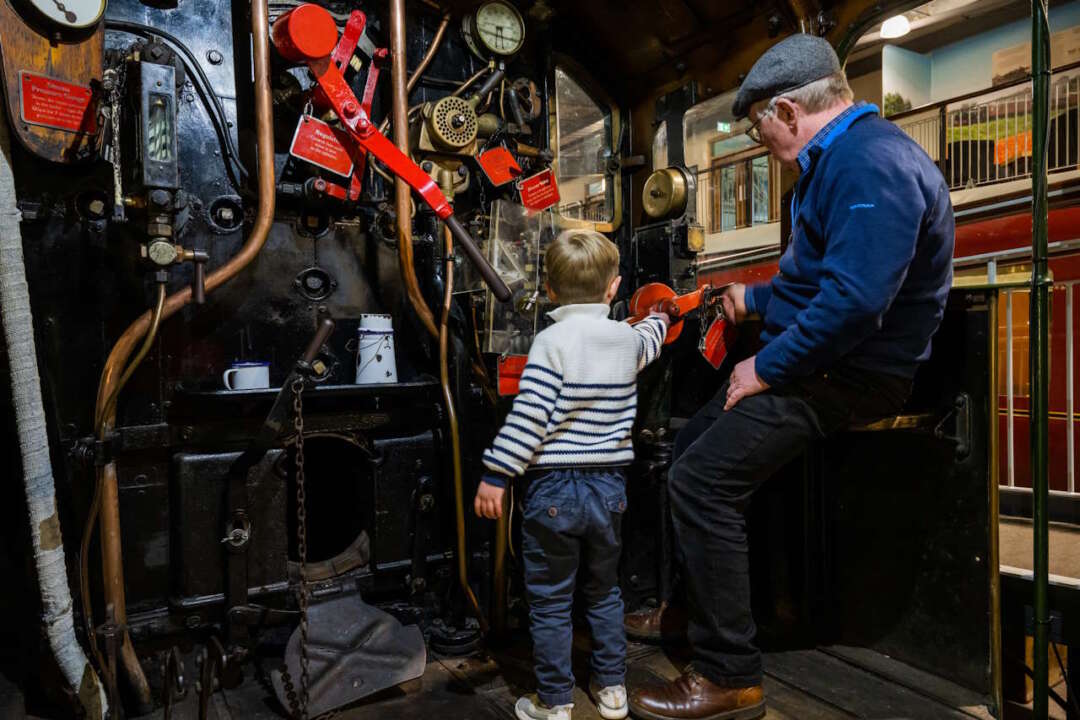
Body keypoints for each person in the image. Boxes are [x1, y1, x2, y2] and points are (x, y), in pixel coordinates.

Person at [627, 33, 954, 720]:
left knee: (702, 479)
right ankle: (696, 611)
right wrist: (756, 300)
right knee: (688, 453)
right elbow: (820, 284)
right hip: (821, 359)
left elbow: (857, 302)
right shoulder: (839, 161)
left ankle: (729, 674)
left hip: (852, 372)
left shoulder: (868, 164)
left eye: (757, 125)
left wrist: (765, 367)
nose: (760, 138)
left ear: (785, 109)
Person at [474, 229, 670, 720]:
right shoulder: (626, 338)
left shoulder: (550, 341)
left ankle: (555, 701)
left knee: (551, 602)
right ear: (614, 287)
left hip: (554, 488)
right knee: (605, 592)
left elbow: (530, 415)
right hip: (609, 488)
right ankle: (612, 691)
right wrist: (662, 317)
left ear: (551, 291)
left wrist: (497, 473)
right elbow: (650, 339)